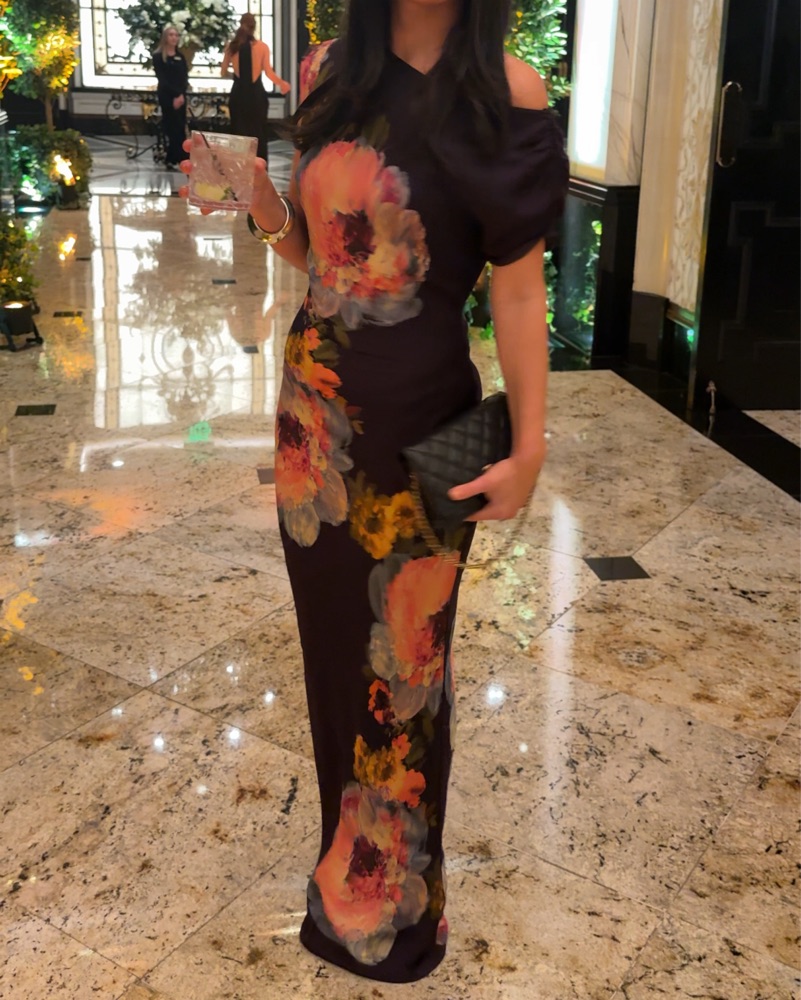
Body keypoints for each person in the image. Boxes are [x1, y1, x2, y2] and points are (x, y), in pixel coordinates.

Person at [182, 0, 567, 984]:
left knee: (408, 674)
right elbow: (322, 260)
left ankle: (400, 909)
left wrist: (530, 446)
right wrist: (261, 201)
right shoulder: (327, 71)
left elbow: (519, 289)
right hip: (315, 432)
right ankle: (344, 881)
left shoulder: (508, 91)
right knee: (333, 667)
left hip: (426, 432)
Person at [222, 12, 290, 161]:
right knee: (258, 132)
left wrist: (236, 76)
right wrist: (282, 84)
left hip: (238, 94)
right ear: (254, 27)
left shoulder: (232, 47)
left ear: (240, 24)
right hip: (256, 95)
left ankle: (239, 166)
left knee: (238, 131)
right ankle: (259, 165)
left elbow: (223, 72)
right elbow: (269, 72)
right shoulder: (262, 47)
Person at [153, 25, 189, 170]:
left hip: (181, 97)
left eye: (176, 35)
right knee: (171, 126)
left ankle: (180, 157)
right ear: (165, 38)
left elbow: (184, 77)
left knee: (180, 126)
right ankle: (172, 157)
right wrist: (174, 95)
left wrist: (181, 94)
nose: (174, 38)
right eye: (171, 35)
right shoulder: (158, 57)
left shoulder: (181, 56)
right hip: (167, 96)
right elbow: (163, 79)